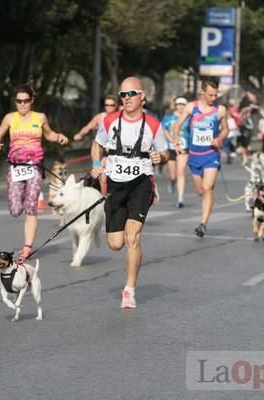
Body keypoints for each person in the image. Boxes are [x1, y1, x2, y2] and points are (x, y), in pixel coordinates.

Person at [90, 77, 168, 309]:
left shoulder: (153, 124)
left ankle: (129, 289)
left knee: (132, 237)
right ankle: (131, 254)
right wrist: (96, 162)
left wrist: (159, 157)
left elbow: (164, 152)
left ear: (142, 96)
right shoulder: (110, 120)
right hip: (115, 184)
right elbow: (97, 144)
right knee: (115, 243)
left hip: (140, 184)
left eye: (132, 93)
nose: (127, 98)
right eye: (123, 95)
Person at [0, 83, 69, 262]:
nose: (22, 105)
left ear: (32, 100)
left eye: (26, 101)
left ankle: (27, 247)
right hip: (16, 166)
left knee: (31, 207)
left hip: (34, 165)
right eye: (19, 101)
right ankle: (22, 202)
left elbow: (48, 134)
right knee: (15, 209)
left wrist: (58, 137)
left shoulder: (40, 117)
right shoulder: (10, 118)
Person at [173, 79, 229, 237]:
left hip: (211, 154)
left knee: (207, 188)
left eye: (215, 95)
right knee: (199, 190)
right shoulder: (191, 107)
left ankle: (203, 223)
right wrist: (176, 141)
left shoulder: (220, 110)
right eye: (210, 95)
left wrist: (220, 139)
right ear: (202, 93)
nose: (213, 98)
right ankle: (203, 194)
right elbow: (177, 125)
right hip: (194, 155)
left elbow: (225, 129)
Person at [74, 95, 119, 195]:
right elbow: (88, 127)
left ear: (116, 106)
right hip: (104, 151)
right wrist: (80, 135)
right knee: (101, 174)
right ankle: (103, 198)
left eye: (112, 105)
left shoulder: (121, 117)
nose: (109, 108)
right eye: (106, 105)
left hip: (118, 151)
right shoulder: (100, 117)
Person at [162, 96, 190, 207]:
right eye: (179, 104)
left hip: (184, 147)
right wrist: (171, 140)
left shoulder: (189, 117)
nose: (181, 106)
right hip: (171, 147)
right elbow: (164, 129)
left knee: (181, 172)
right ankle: (172, 183)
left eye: (183, 104)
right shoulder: (169, 116)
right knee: (173, 176)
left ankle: (180, 198)